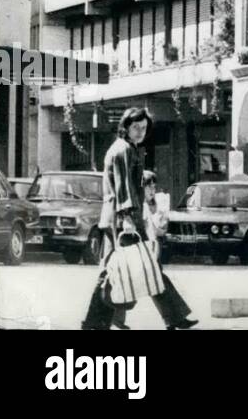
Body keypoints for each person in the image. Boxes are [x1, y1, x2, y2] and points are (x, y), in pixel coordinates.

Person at [81, 107, 197, 330]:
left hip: (120, 217)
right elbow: (123, 186)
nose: (140, 132)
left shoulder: (127, 148)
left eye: (144, 128)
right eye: (136, 127)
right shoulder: (123, 149)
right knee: (139, 267)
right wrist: (127, 218)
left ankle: (99, 322)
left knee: (128, 268)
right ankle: (172, 317)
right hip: (123, 218)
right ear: (125, 127)